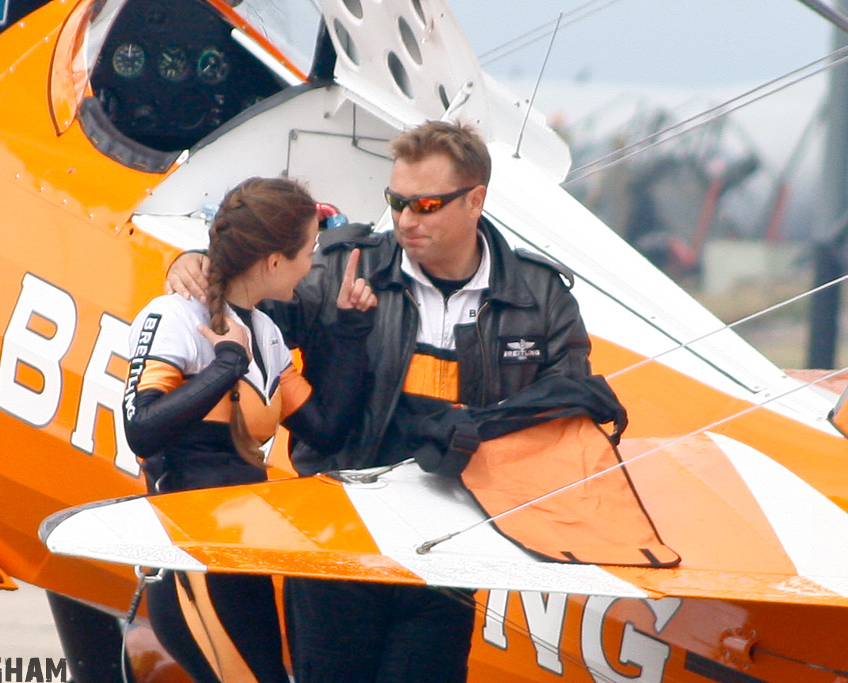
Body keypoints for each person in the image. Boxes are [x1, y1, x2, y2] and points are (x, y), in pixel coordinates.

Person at [166, 121, 594, 682]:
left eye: (426, 205)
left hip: (449, 554)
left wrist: (484, 433)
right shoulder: (343, 267)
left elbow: (573, 407)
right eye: (396, 202)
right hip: (339, 545)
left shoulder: (539, 299)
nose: (406, 220)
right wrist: (195, 264)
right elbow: (251, 293)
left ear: (476, 200)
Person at [125, 176, 377, 683]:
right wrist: (227, 364)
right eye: (308, 251)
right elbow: (143, 431)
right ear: (274, 262)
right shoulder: (174, 314)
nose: (312, 264)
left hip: (244, 556)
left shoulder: (267, 332)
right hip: (190, 554)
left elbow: (324, 431)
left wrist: (350, 331)